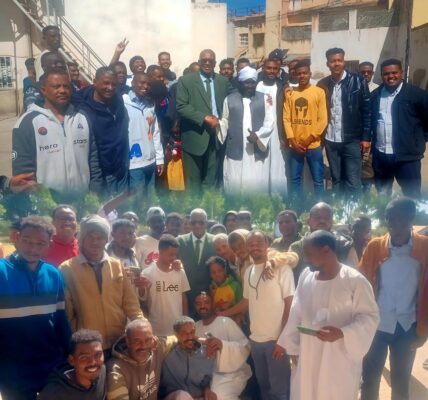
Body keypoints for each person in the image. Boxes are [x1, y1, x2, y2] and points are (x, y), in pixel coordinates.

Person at [278, 230, 379, 400]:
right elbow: (296, 311)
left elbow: (369, 317)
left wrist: (342, 333)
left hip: (339, 358)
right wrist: (293, 346)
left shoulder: (355, 280)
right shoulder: (306, 276)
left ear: (326, 250)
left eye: (309, 254)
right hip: (308, 353)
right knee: (306, 391)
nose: (305, 259)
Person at [360, 197, 428, 400]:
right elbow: (362, 283)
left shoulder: (425, 247)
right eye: (391, 219)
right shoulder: (375, 247)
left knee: (401, 382)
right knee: (369, 380)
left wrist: (424, 330)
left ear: (411, 219)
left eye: (402, 219)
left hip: (407, 327)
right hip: (377, 326)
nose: (395, 225)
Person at [0, 216, 71, 400]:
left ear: (49, 245)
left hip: (50, 365)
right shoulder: (1, 272)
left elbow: (60, 321)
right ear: (17, 238)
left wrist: (68, 354)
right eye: (27, 241)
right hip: (12, 370)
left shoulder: (53, 274)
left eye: (40, 243)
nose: (33, 249)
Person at [221, 230, 297, 400]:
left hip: (275, 341)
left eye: (259, 243)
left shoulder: (281, 269)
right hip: (256, 340)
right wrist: (222, 313)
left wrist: (283, 339)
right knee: (264, 385)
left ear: (267, 244)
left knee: (280, 390)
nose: (254, 247)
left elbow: (290, 305)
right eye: (251, 244)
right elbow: (246, 302)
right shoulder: (248, 271)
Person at [60, 214, 144, 353]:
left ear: (106, 240)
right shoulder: (67, 269)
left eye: (100, 237)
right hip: (88, 346)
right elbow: (67, 313)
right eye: (91, 237)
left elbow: (131, 304)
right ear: (82, 239)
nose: (95, 242)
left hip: (119, 342)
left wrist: (142, 326)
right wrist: (76, 341)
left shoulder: (116, 266)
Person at [13, 68, 92, 193]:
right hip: (47, 202)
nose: (62, 90)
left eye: (66, 86)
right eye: (56, 86)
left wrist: (94, 191)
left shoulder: (82, 118)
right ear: (43, 90)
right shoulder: (27, 123)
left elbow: (93, 161)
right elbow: (23, 176)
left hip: (82, 199)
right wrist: (39, 199)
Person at [371, 58, 428, 198]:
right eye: (386, 74)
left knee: (412, 196)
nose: (390, 76)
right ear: (381, 75)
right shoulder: (375, 95)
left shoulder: (417, 95)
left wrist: (417, 141)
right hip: (381, 155)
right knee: (383, 194)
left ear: (401, 73)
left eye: (394, 72)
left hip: (407, 158)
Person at [317, 48, 371, 196]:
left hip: (351, 139)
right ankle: (339, 207)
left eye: (339, 60)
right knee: (336, 179)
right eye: (332, 61)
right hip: (331, 140)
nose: (336, 64)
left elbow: (367, 110)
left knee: (353, 180)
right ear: (327, 64)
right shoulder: (322, 84)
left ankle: (355, 208)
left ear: (344, 62)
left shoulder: (358, 81)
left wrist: (366, 137)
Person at [176, 49, 231, 192]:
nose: (207, 63)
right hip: (194, 137)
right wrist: (204, 118)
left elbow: (236, 96)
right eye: (204, 60)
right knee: (193, 183)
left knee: (211, 181)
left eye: (210, 61)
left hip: (216, 136)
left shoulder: (223, 81)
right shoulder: (186, 81)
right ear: (199, 62)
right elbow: (181, 106)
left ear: (215, 63)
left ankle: (208, 205)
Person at [219, 66, 274, 194]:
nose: (250, 86)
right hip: (236, 147)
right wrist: (218, 124)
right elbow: (225, 120)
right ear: (240, 83)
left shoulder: (265, 98)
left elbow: (269, 122)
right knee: (235, 181)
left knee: (257, 183)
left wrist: (258, 135)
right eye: (246, 82)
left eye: (253, 82)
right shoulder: (230, 99)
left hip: (256, 147)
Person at [77, 66, 129, 195]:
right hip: (103, 173)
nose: (110, 88)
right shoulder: (83, 108)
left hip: (121, 168)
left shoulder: (117, 99)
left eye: (113, 84)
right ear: (95, 82)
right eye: (106, 83)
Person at [194, 292, 252, 400]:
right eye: (198, 303)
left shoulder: (226, 322)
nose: (202, 306)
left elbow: (245, 347)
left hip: (230, 374)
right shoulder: (194, 327)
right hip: (203, 375)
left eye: (206, 302)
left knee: (218, 395)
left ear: (213, 304)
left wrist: (223, 345)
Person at [284, 59, 328, 199]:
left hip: (313, 145)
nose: (302, 76)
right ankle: (296, 206)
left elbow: (323, 119)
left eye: (305, 73)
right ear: (295, 75)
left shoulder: (319, 92)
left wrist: (309, 139)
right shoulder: (290, 94)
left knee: (318, 180)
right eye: (299, 74)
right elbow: (286, 118)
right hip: (295, 145)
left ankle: (319, 205)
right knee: (295, 180)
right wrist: (292, 140)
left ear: (310, 74)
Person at [290, 202, 359, 284]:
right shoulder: (296, 247)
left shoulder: (345, 246)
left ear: (332, 222)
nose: (322, 221)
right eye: (317, 217)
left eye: (327, 218)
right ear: (308, 221)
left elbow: (355, 278)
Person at [107, 319, 176, 400]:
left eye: (147, 340)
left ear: (153, 339)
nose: (143, 346)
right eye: (137, 341)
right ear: (128, 342)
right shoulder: (116, 369)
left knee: (182, 395)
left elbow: (177, 337)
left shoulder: (157, 348)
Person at [140, 234, 190, 336]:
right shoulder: (147, 274)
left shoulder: (180, 271)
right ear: (160, 252)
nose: (174, 257)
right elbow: (143, 301)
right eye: (171, 254)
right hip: (157, 329)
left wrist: (185, 320)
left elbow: (183, 297)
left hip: (177, 329)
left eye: (175, 255)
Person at [124, 72, 164, 191]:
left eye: (148, 84)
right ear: (133, 83)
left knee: (150, 196)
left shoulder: (150, 104)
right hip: (134, 162)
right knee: (137, 197)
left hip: (150, 161)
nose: (146, 86)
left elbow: (155, 132)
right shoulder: (123, 102)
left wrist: (159, 159)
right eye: (142, 83)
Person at [38, 329, 106, 400]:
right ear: (71, 360)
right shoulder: (53, 393)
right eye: (84, 357)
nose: (93, 362)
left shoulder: (102, 372)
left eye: (98, 355)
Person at [160, 316, 217, 400]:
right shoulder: (168, 353)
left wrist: (207, 390)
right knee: (182, 396)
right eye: (184, 333)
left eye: (192, 332)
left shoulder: (206, 354)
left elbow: (206, 380)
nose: (189, 337)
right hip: (174, 396)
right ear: (176, 334)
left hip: (197, 397)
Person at [256, 58, 289, 196]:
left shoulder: (282, 86)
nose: (272, 71)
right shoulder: (256, 86)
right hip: (260, 130)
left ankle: (277, 197)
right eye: (269, 68)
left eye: (275, 69)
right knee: (261, 163)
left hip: (277, 131)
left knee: (277, 164)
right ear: (263, 68)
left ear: (279, 70)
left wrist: (284, 135)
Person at [177, 208, 216, 318]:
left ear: (206, 223)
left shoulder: (215, 241)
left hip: (210, 300)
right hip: (186, 300)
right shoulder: (180, 241)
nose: (197, 226)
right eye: (194, 223)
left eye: (201, 222)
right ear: (190, 223)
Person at [207, 256, 243, 324]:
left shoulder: (235, 285)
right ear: (210, 274)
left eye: (219, 271)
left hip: (234, 323)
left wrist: (239, 316)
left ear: (225, 270)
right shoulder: (211, 288)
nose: (217, 274)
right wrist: (212, 295)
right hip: (217, 323)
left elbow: (242, 305)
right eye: (213, 272)